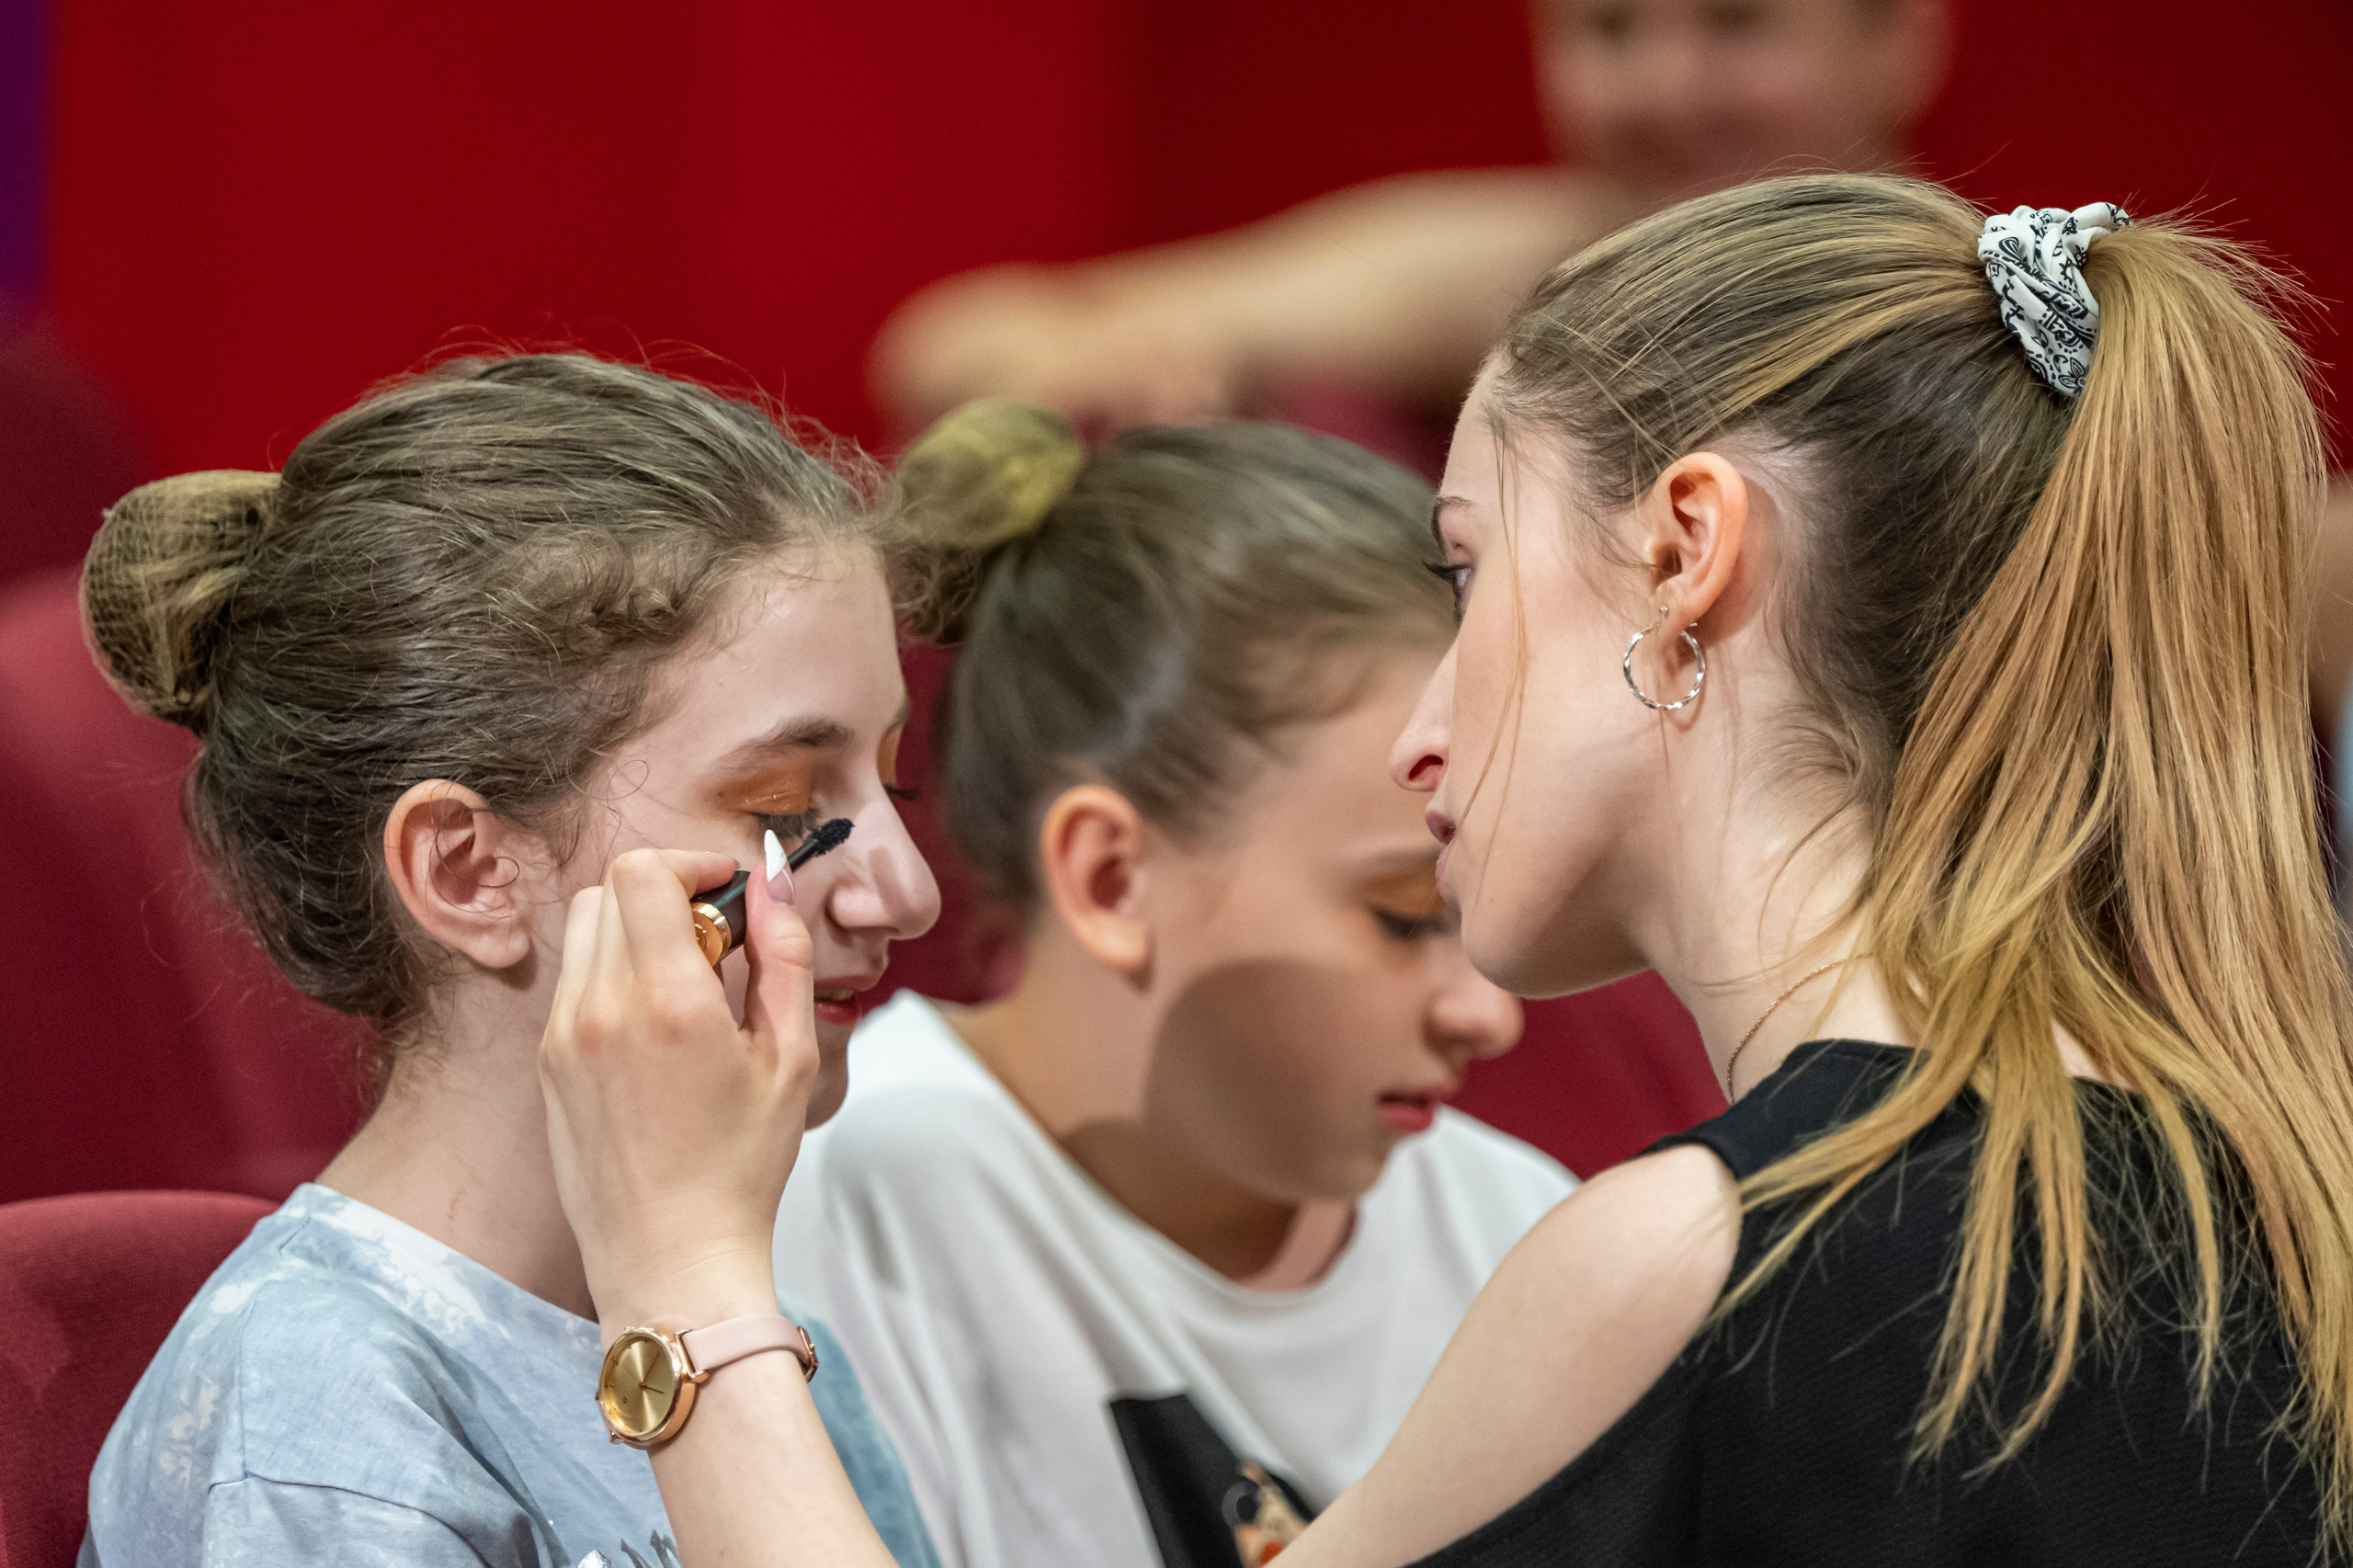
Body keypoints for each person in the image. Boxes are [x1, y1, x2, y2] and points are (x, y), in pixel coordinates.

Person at [530, 173, 2353, 1567]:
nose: (1423, 731)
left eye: (1469, 574)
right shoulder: (2263, 1186)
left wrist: (680, 1272)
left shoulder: (1691, 1257)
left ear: (1686, 553)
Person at [78, 354, 944, 1568]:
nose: (907, 890)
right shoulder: (318, 1428)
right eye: (785, 805)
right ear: (468, 871)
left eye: (892, 781)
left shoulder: (773, 1345)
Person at [771, 403, 1568, 1568]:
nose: (1488, 1010)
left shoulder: (1519, 1232)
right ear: (1110, 875)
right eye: (1405, 914)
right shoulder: (836, 1208)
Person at [870, 0, 1951, 434]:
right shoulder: (1529, 268)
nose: (1670, 92)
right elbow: (950, 339)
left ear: (1901, 37)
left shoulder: (1991, 313)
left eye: (1738, 23)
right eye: (1611, 31)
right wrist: (1097, 366)